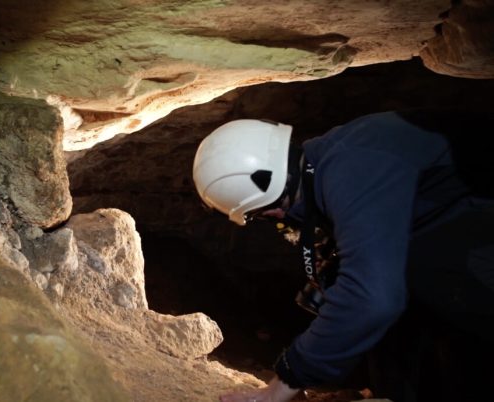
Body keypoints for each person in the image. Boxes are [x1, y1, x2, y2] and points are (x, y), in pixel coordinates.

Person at [192, 110, 494, 402]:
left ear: (268, 207)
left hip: (475, 223)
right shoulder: (332, 159)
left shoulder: (352, 170)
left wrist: (284, 383)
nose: (274, 220)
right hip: (465, 213)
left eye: (261, 215)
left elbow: (371, 298)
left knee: (415, 282)